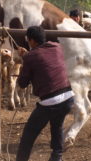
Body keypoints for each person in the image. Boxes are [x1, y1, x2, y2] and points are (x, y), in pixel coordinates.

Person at [16, 26, 74, 161]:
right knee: (57, 126)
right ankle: (57, 157)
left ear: (31, 40)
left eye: (28, 40)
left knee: (28, 136)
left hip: (50, 102)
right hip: (68, 98)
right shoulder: (57, 46)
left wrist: (25, 58)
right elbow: (42, 57)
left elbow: (22, 83)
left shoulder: (30, 57)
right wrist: (28, 55)